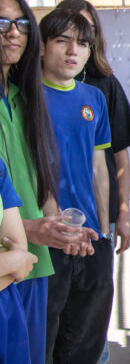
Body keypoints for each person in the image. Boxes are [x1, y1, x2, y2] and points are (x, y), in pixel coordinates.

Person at [0, 0, 90, 364]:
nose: (13, 31)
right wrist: (29, 228)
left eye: (20, 22)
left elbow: (38, 175)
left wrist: (52, 226)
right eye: (2, 22)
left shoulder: (22, 96)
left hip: (31, 259)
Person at [39, 8, 112, 363]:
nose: (73, 51)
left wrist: (104, 227)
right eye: (62, 41)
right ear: (41, 47)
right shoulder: (25, 97)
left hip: (91, 237)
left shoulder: (93, 98)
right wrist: (54, 223)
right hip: (46, 235)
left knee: (88, 338)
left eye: (82, 44)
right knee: (46, 338)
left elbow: (99, 167)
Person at [57, 0, 130, 255]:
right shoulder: (34, 84)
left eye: (87, 30)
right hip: (52, 212)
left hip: (99, 210)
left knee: (97, 288)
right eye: (68, 32)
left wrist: (123, 213)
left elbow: (120, 156)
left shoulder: (104, 83)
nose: (78, 39)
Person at [0, 156, 37, 364]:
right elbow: (18, 259)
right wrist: (10, 261)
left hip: (6, 312)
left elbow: (22, 258)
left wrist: (15, 260)